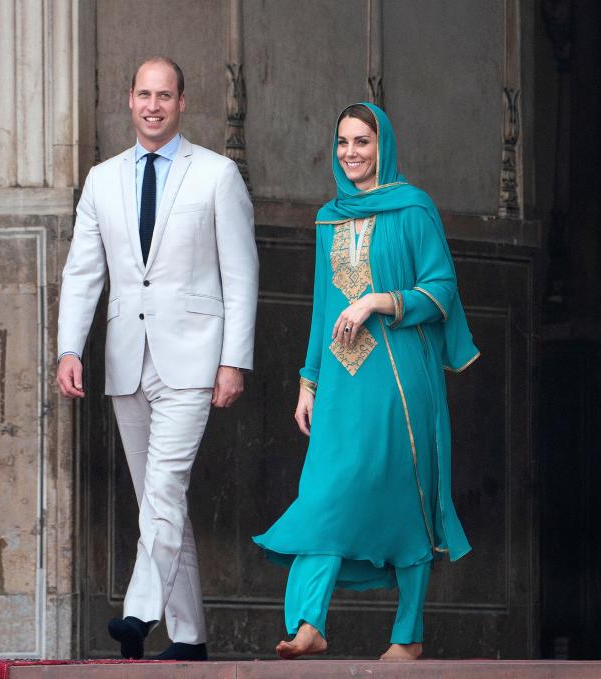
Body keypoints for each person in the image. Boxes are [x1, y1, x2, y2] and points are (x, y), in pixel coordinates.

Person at [252, 102, 478, 661]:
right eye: (343, 143)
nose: (350, 153)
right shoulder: (330, 218)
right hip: (344, 384)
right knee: (325, 494)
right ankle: (308, 623)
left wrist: (379, 300)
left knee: (409, 498)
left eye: (362, 142)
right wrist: (308, 382)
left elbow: (442, 289)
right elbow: (323, 306)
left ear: (384, 146)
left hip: (402, 381)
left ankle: (408, 636)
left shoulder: (413, 209)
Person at [57, 57, 259, 661]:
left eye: (164, 95)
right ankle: (190, 636)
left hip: (195, 359)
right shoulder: (101, 179)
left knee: (165, 487)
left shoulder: (217, 175)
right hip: (126, 360)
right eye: (144, 94)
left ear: (181, 102)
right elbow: (82, 273)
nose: (153, 105)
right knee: (158, 502)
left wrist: (235, 360)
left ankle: (139, 612)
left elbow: (242, 274)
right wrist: (70, 347)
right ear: (129, 99)